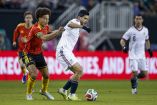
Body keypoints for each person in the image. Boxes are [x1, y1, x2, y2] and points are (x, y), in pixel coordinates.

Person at [22, 7, 64, 100]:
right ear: (39, 18)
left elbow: (50, 33)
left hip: (39, 53)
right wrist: (57, 33)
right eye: (45, 18)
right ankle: (28, 93)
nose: (47, 20)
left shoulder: (46, 27)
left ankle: (44, 91)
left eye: (48, 19)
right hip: (28, 53)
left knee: (46, 75)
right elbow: (44, 38)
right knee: (33, 74)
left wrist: (58, 31)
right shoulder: (35, 28)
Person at [56, 10, 91, 100]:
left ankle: (65, 91)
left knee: (79, 72)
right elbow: (70, 24)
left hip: (67, 51)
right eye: (85, 18)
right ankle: (70, 94)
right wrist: (83, 26)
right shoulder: (75, 21)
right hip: (63, 50)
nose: (86, 20)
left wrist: (81, 27)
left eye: (87, 19)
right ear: (79, 17)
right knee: (79, 70)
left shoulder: (78, 26)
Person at [120, 15, 153, 94]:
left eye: (140, 19)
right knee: (134, 72)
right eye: (137, 19)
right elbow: (122, 40)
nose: (138, 20)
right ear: (134, 20)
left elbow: (147, 40)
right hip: (133, 55)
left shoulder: (145, 30)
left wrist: (149, 49)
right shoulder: (131, 30)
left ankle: (135, 79)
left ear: (142, 20)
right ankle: (134, 89)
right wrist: (124, 47)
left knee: (145, 74)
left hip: (142, 55)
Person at [13, 11, 33, 84]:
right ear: (24, 19)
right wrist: (14, 41)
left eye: (30, 18)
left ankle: (30, 85)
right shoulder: (20, 26)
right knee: (21, 65)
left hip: (30, 51)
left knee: (30, 68)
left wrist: (27, 41)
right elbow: (15, 32)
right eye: (27, 18)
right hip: (21, 50)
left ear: (32, 19)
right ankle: (24, 74)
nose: (28, 19)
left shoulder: (34, 28)